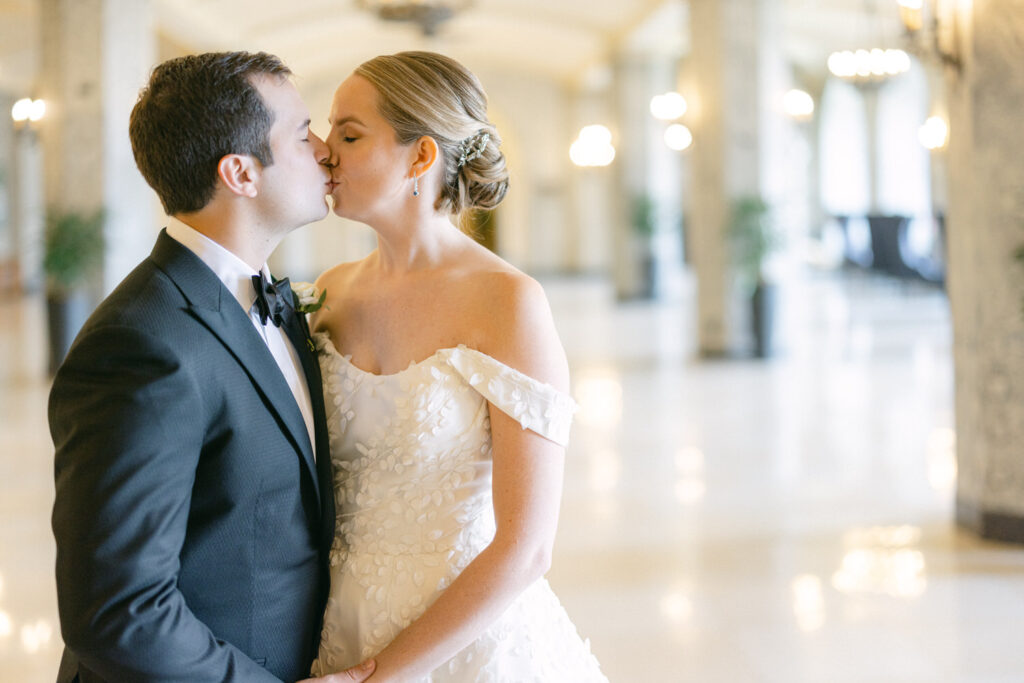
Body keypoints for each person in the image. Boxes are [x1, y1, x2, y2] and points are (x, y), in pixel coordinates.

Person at [49, 51, 374, 683]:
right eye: (303, 134)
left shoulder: (275, 301)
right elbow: (118, 613)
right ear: (241, 173)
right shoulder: (141, 343)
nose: (325, 152)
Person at [309, 51, 608, 681]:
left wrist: (386, 672)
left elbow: (527, 549)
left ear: (420, 157)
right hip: (333, 626)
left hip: (463, 642)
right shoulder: (329, 294)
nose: (323, 150)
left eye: (350, 133)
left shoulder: (508, 302)